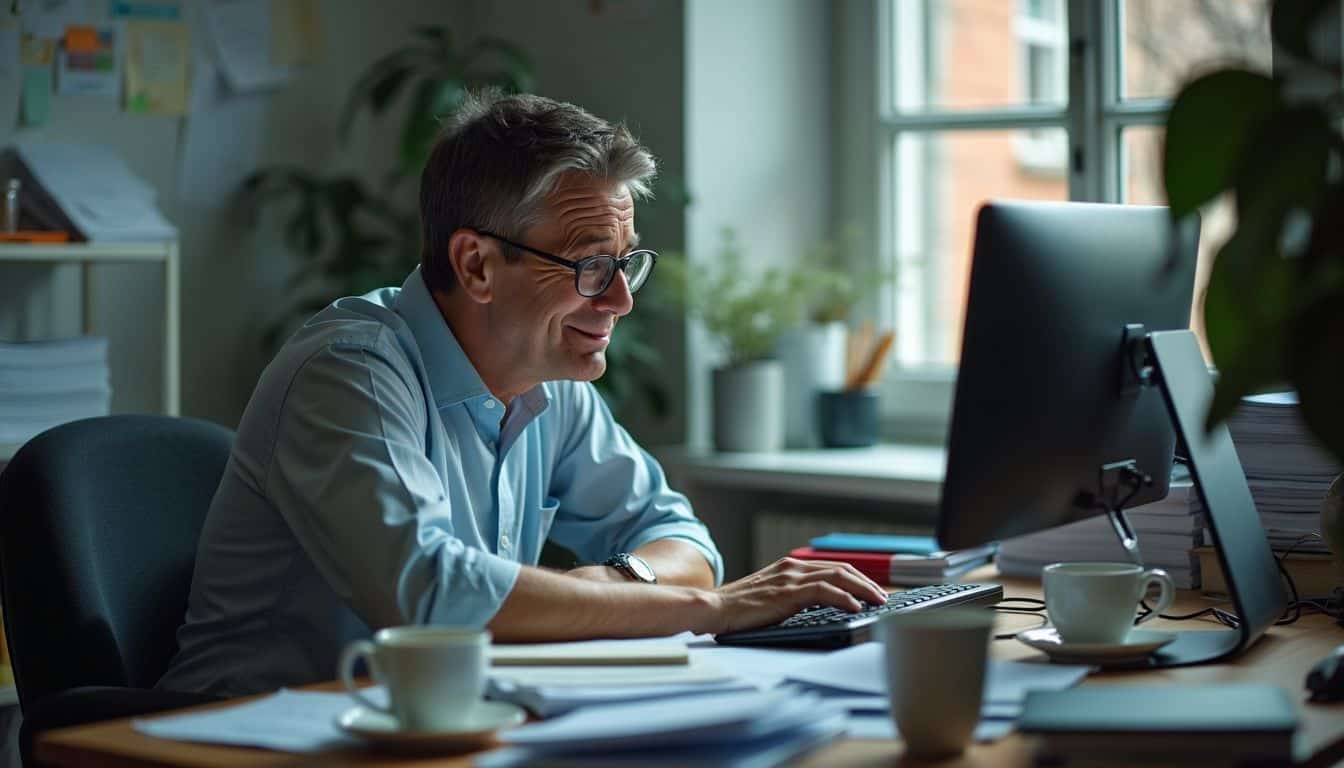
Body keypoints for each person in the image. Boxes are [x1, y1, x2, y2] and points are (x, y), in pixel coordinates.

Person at [158, 91, 887, 697]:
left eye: (626, 264)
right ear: (476, 265)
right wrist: (709, 609)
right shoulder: (349, 372)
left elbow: (683, 540)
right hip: (240, 741)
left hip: (437, 730)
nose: (621, 301)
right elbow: (432, 596)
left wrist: (619, 581)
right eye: (590, 266)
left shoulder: (548, 377)